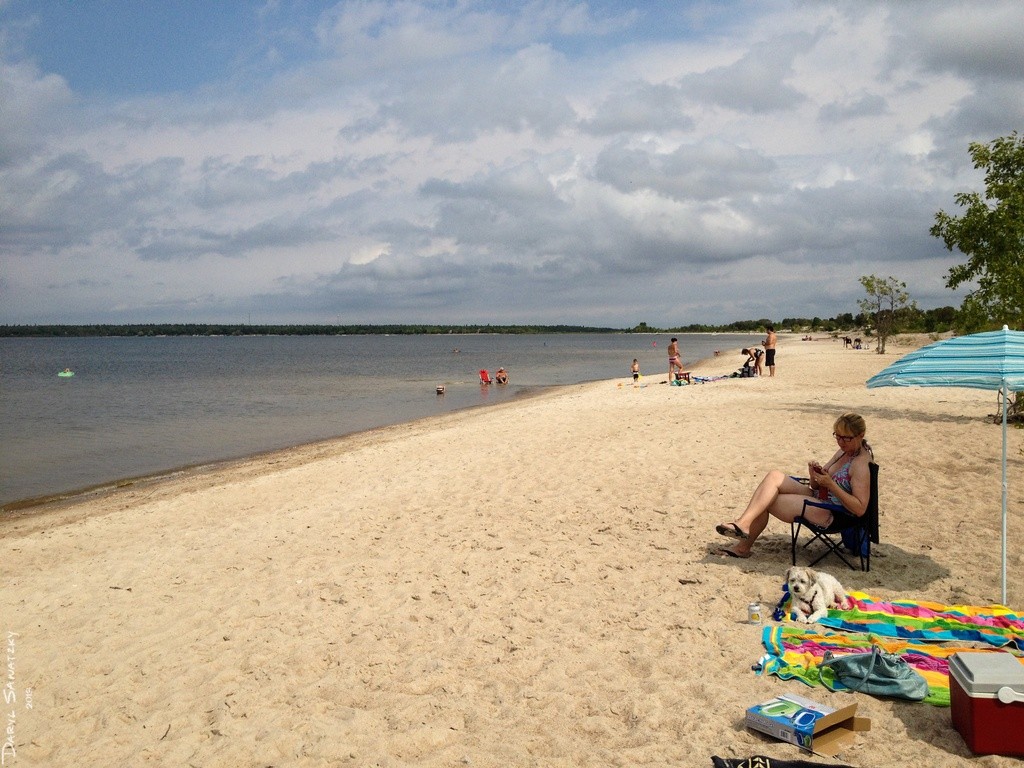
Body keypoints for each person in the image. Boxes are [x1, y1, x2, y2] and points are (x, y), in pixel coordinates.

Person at [713, 413, 873, 558]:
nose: (841, 442)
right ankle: (743, 523)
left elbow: (860, 509)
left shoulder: (861, 464)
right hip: (821, 497)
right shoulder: (843, 452)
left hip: (834, 513)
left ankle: (742, 547)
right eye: (837, 436)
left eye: (846, 438)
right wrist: (814, 475)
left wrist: (831, 485)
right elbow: (816, 486)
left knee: (766, 500)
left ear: (861, 435)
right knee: (774, 476)